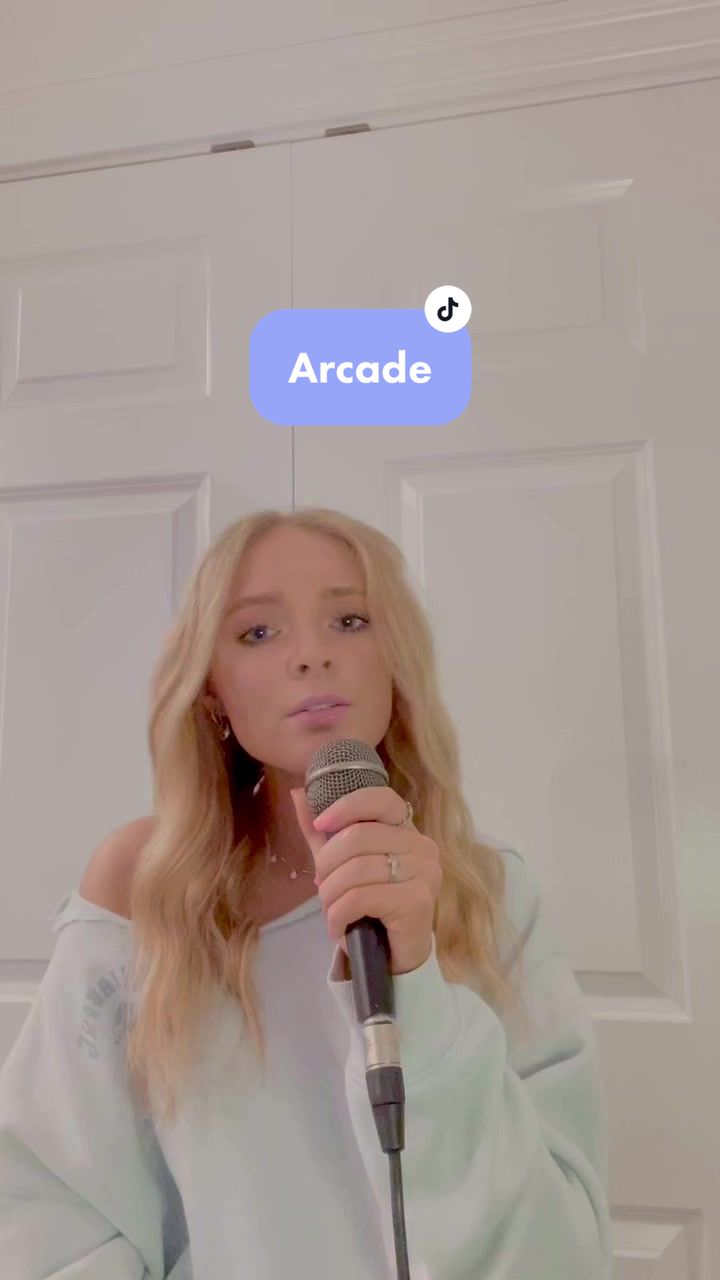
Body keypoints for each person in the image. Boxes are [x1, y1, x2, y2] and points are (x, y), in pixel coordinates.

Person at [0, 507, 615, 1279]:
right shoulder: (144, 890)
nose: (311, 656)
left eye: (350, 620)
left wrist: (417, 980)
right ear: (213, 688)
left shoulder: (487, 893)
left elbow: (559, 1249)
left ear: (394, 658)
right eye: (258, 632)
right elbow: (54, 1208)